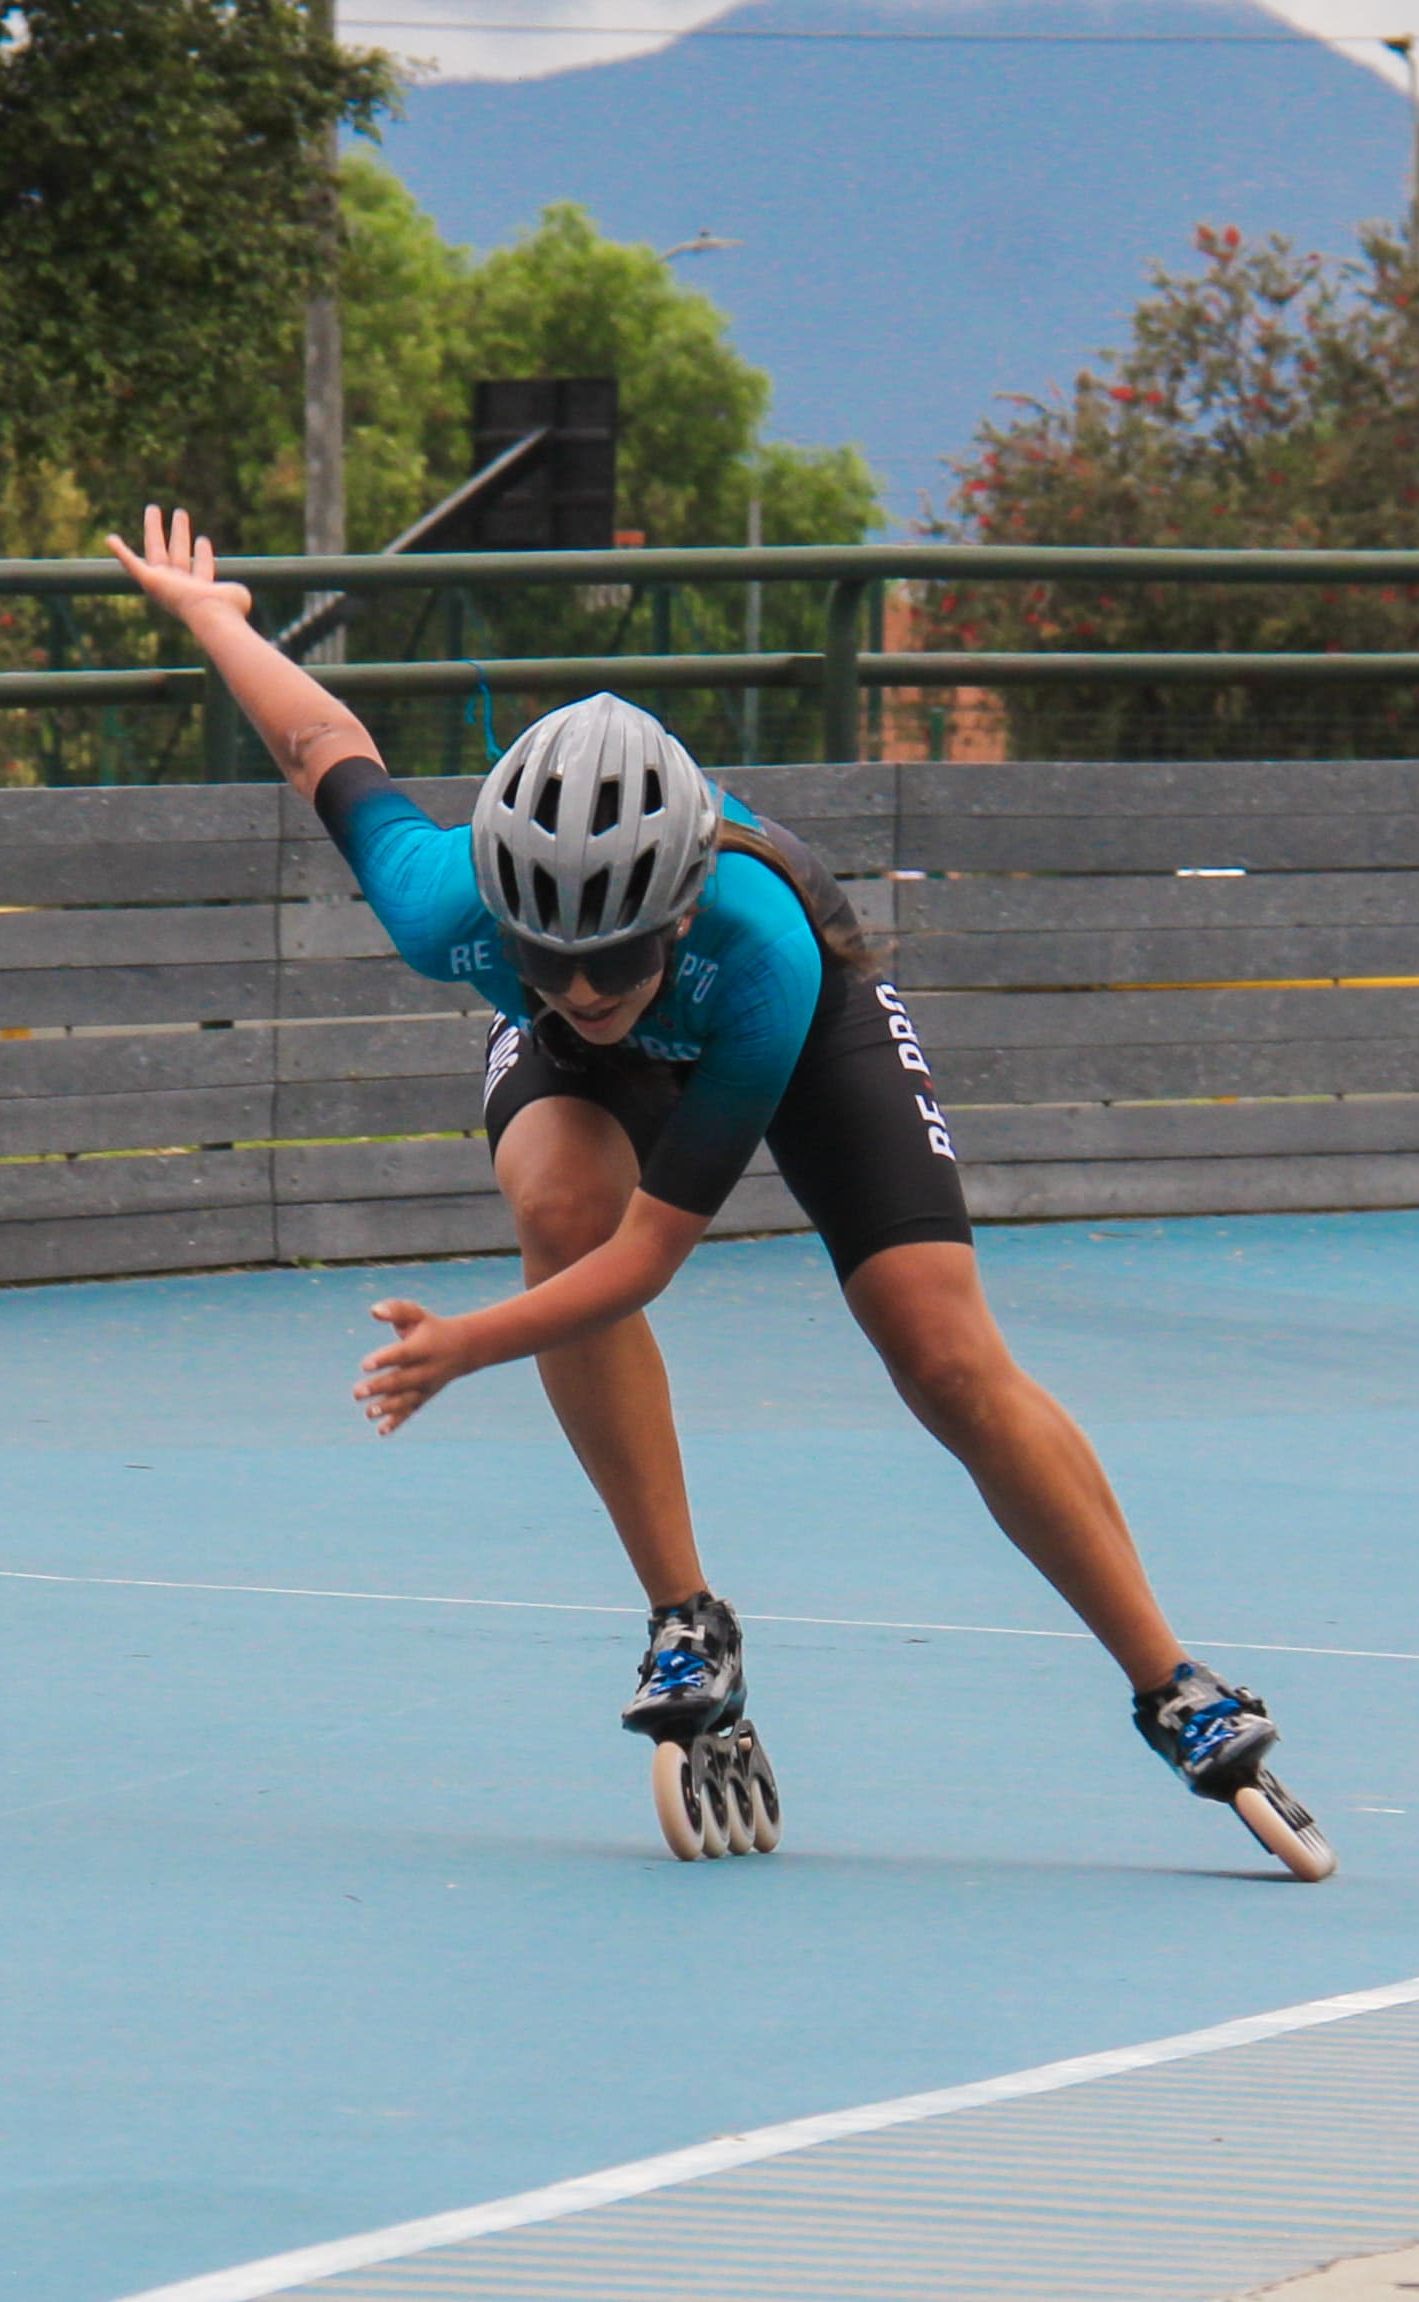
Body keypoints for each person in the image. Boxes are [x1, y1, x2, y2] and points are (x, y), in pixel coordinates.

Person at [104, 507, 1331, 1877]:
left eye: (610, 958)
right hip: (600, 1064)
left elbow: (644, 1264)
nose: (576, 989)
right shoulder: (444, 903)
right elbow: (320, 745)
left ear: (675, 911)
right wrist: (215, 616)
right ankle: (684, 1615)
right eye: (542, 956)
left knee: (938, 1349)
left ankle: (1170, 1681)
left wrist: (463, 1347)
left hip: (789, 1029)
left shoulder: (760, 951)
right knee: (554, 1198)